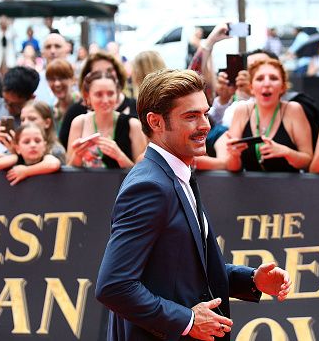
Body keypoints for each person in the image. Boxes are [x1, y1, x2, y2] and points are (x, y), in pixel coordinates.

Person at [95, 69, 291, 341]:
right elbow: (114, 286)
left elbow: (188, 269)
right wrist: (187, 320)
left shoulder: (178, 173)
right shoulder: (149, 187)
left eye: (205, 113)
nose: (205, 125)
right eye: (191, 116)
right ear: (156, 122)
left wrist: (252, 279)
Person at [219, 58, 314, 173]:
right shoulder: (242, 111)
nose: (267, 83)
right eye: (260, 78)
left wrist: (286, 152)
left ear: (283, 87)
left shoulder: (294, 109)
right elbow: (232, 167)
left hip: (288, 188)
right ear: (251, 87)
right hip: (249, 188)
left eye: (273, 78)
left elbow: (307, 160)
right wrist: (234, 155)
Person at [67, 71, 146, 169]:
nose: (105, 100)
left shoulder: (133, 125)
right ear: (87, 97)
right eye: (99, 94)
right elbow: (69, 171)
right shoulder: (79, 122)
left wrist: (119, 156)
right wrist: (78, 155)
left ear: (117, 95)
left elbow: (142, 173)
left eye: (110, 93)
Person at [59, 51, 135, 149]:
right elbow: (67, 157)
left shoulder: (135, 109)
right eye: (97, 72)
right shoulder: (76, 113)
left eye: (110, 70)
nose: (105, 75)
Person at [45, 59, 78, 134]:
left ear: (73, 79)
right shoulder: (50, 110)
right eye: (52, 79)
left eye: (62, 78)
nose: (57, 84)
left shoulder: (82, 105)